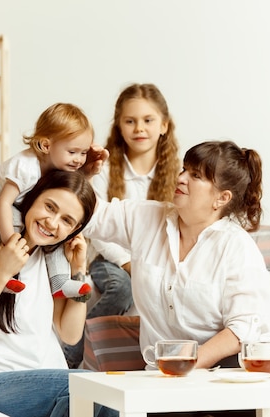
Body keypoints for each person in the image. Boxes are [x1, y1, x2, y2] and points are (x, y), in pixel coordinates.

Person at [83, 140, 270, 370]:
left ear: (222, 198)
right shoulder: (146, 218)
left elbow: (242, 329)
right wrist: (83, 175)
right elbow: (89, 217)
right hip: (178, 374)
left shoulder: (237, 246)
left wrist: (186, 363)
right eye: (184, 169)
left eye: (196, 176)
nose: (181, 177)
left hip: (248, 365)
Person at [0, 169, 115, 417]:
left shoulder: (51, 257)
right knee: (92, 389)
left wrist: (79, 269)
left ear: (75, 230)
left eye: (67, 220)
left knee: (108, 396)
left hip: (47, 379)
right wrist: (3, 273)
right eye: (49, 207)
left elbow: (70, 333)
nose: (52, 223)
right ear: (32, 198)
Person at [63, 83, 181, 369]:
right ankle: (73, 350)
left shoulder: (177, 173)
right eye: (130, 121)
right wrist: (129, 263)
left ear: (164, 125)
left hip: (154, 257)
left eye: (148, 120)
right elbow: (96, 225)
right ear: (119, 126)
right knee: (121, 289)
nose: (139, 128)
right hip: (110, 259)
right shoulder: (104, 169)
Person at [0, 103, 109, 299]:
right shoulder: (25, 167)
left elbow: (75, 199)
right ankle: (4, 274)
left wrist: (88, 173)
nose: (79, 159)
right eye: (72, 152)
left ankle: (60, 281)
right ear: (46, 146)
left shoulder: (59, 165)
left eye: (83, 152)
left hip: (17, 204)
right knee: (16, 221)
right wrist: (12, 240)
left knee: (58, 230)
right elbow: (3, 203)